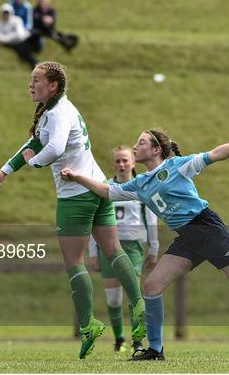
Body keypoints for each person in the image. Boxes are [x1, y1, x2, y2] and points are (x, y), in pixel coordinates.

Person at [61, 130, 229, 362]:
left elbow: (217, 153)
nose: (136, 146)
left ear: (156, 150)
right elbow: (106, 191)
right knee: (152, 287)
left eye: (142, 142)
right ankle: (155, 350)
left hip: (208, 229)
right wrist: (77, 177)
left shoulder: (178, 165)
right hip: (187, 238)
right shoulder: (140, 183)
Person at [0, 61, 146, 359]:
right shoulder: (61, 109)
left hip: (75, 195)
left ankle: (88, 325)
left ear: (53, 85)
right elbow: (35, 141)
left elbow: (52, 148)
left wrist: (33, 162)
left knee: (74, 262)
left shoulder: (57, 113)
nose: (31, 85)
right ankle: (140, 304)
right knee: (114, 251)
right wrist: (5, 170)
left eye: (37, 80)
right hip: (97, 187)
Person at [88, 146, 159, 354]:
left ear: (133, 162)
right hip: (108, 245)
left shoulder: (141, 186)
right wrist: (93, 252)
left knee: (133, 295)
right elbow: (96, 220)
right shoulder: (106, 187)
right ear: (113, 164)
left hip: (133, 246)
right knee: (113, 298)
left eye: (125, 160)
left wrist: (153, 248)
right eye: (118, 161)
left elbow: (152, 219)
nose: (121, 164)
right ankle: (119, 339)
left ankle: (137, 340)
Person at [0, 3, 38, 69]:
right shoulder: (0, 23)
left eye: (7, 13)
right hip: (13, 44)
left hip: (22, 41)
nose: (5, 15)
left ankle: (37, 65)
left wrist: (2, 38)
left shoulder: (17, 20)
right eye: (4, 13)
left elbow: (19, 36)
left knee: (25, 51)